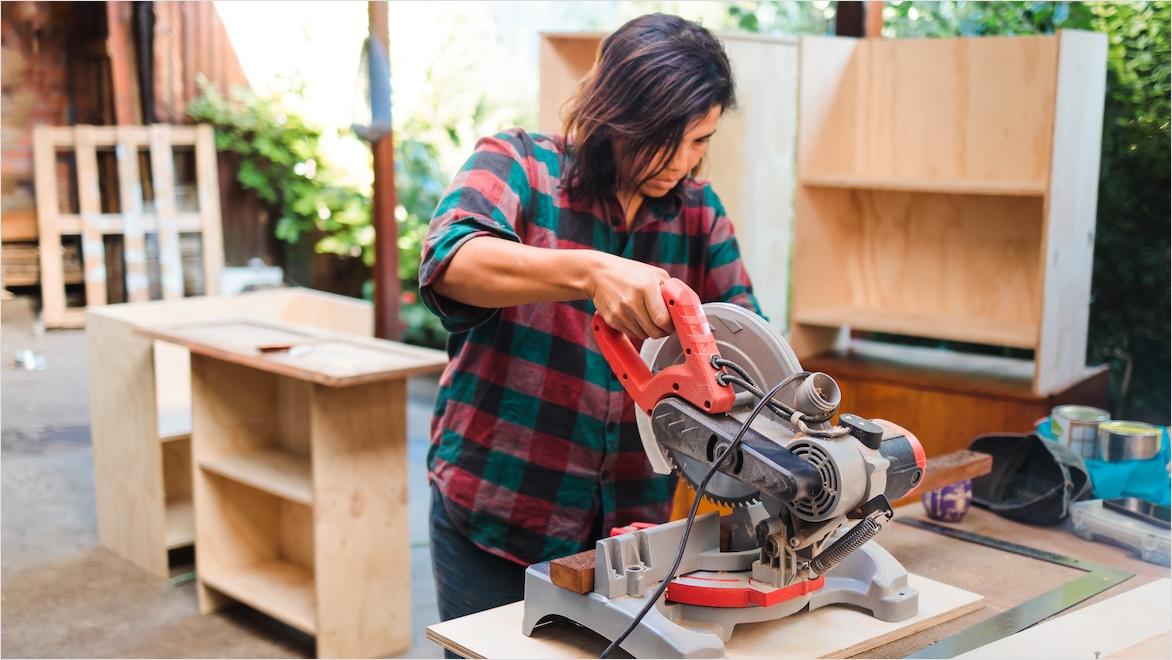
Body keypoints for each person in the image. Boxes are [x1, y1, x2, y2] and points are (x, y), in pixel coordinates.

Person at [419, 13, 762, 624]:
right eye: (667, 137)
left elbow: (749, 343)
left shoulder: (700, 214)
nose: (683, 161)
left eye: (701, 140)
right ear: (616, 114)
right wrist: (590, 272)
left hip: (634, 534)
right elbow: (450, 260)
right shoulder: (521, 163)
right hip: (498, 510)